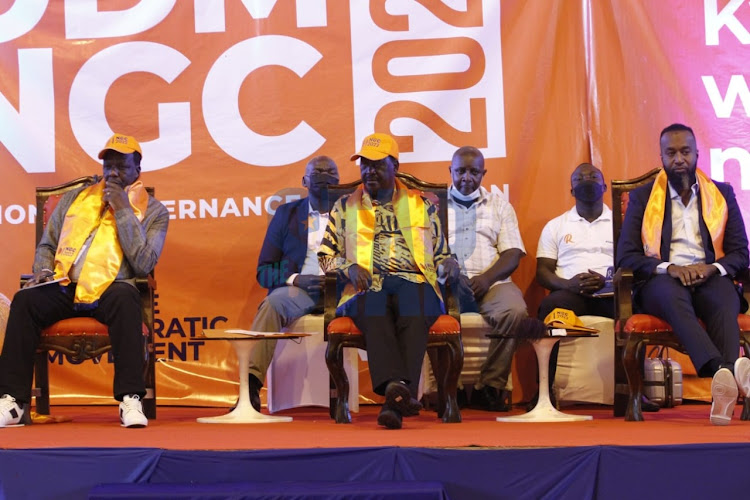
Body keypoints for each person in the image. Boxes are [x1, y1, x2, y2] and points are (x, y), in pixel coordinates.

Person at [0, 133, 169, 428]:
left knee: (127, 298)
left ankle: (130, 399)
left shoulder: (154, 212)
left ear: (137, 171)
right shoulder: (74, 200)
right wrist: (42, 270)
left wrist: (123, 210)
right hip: (66, 285)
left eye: (122, 166)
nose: (113, 173)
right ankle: (13, 402)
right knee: (25, 301)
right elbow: (47, 246)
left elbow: (143, 264)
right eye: (108, 166)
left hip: (111, 288)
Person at [318, 133, 460, 429]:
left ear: (394, 165)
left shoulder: (422, 205)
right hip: (366, 286)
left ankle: (393, 395)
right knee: (375, 306)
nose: (369, 171)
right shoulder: (345, 206)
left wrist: (449, 263)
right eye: (364, 165)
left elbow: (443, 253)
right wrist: (348, 267)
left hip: (415, 282)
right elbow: (325, 257)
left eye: (377, 165)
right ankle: (398, 393)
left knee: (413, 305)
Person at [617, 123, 750, 425]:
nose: (679, 159)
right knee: (673, 296)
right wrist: (670, 268)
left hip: (709, 275)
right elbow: (627, 255)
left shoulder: (722, 194)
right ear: (661, 156)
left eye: (685, 152)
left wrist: (711, 267)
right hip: (663, 279)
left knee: (723, 299)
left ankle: (723, 385)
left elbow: (740, 252)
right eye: (671, 153)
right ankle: (723, 370)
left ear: (697, 153)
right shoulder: (643, 197)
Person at [247, 156, 340, 411]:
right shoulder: (286, 214)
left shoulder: (354, 214)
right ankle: (251, 385)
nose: (323, 176)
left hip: (344, 291)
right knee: (272, 304)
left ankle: (393, 388)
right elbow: (264, 270)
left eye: (330, 172)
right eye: (317, 172)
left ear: (340, 181)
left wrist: (331, 276)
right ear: (304, 181)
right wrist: (297, 279)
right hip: (300, 291)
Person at [446, 146, 527, 412]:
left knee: (515, 311)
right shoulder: (433, 206)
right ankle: (449, 389)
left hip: (492, 283)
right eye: (460, 171)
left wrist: (486, 278)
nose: (466, 177)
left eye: (474, 171)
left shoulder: (499, 205)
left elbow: (513, 252)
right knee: (428, 308)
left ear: (484, 173)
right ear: (451, 171)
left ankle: (490, 386)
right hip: (449, 285)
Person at [534, 163, 615, 409]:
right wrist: (567, 284)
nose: (586, 180)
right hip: (571, 295)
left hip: (612, 293)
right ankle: (543, 392)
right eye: (579, 178)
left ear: (604, 186)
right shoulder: (556, 225)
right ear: (571, 190)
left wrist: (608, 281)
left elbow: (635, 265)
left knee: (635, 308)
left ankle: (634, 390)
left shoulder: (622, 223)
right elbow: (543, 271)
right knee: (549, 306)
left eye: (593, 176)